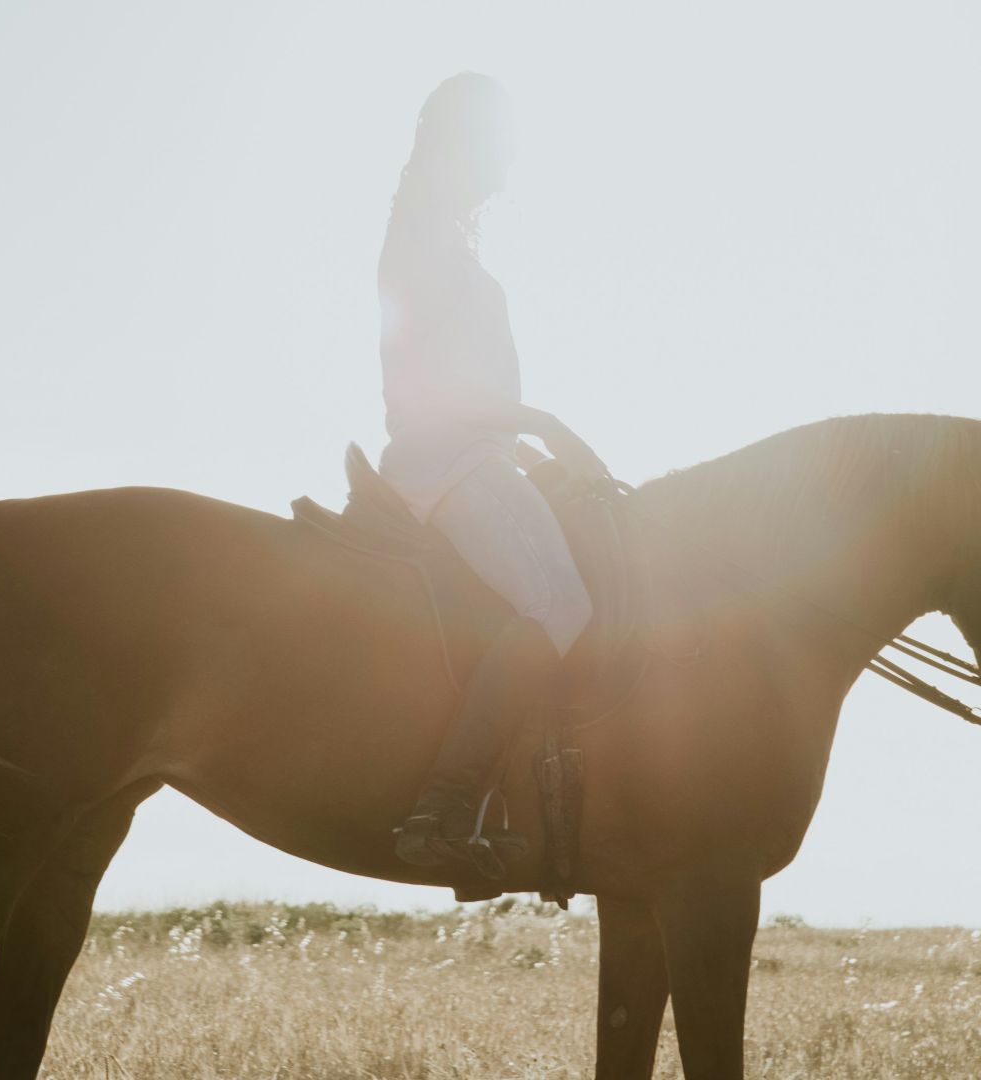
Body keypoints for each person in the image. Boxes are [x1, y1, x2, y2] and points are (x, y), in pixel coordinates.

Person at [378, 74, 610, 874]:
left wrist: (532, 453)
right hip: (447, 460)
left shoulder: (440, 236)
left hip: (480, 453)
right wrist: (541, 424)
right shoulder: (423, 240)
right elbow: (432, 388)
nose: (509, 164)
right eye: (498, 143)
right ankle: (439, 812)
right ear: (460, 145)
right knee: (562, 603)